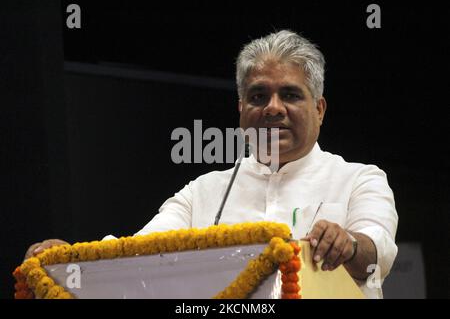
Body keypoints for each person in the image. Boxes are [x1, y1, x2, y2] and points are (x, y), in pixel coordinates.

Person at [25, 30, 398, 298]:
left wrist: (347, 244)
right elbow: (138, 253)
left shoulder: (360, 180)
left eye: (289, 94)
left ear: (319, 109)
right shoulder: (203, 193)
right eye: (257, 96)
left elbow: (376, 253)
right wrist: (68, 259)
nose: (272, 107)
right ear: (241, 110)